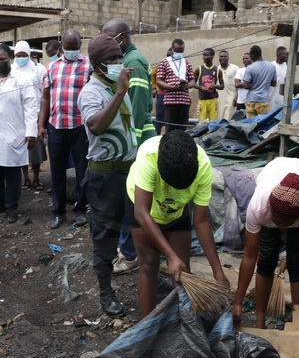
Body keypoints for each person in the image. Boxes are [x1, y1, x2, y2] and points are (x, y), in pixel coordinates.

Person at [126, 131, 229, 316]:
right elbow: (141, 212)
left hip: (177, 212)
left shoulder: (203, 166)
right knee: (149, 265)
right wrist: (170, 255)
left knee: (183, 270)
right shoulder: (149, 157)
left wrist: (218, 272)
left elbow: (201, 221)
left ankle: (183, 323)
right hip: (143, 209)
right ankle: (146, 325)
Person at [78, 35, 137, 316]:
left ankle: (146, 279)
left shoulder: (115, 86)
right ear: (99, 66)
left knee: (139, 227)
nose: (119, 63)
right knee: (105, 235)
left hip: (130, 174)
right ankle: (105, 291)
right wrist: (120, 93)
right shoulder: (91, 92)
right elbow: (96, 126)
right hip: (105, 178)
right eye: (113, 59)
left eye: (119, 57)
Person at [232, 158, 299, 329]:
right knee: (266, 258)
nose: (279, 227)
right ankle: (260, 322)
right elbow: (250, 255)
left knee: (296, 261)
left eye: (284, 224)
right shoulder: (259, 206)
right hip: (272, 178)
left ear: (298, 218)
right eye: (275, 221)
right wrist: (238, 303)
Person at [101, 17, 157, 275]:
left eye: (109, 38)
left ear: (122, 38)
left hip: (138, 143)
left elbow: (135, 109)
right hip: (137, 141)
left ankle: (131, 255)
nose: (105, 44)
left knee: (132, 201)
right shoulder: (128, 62)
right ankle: (134, 251)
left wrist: (131, 147)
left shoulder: (132, 62)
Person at [38, 29, 92, 229]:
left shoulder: (89, 65)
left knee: (81, 171)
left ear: (80, 46)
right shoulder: (51, 67)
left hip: (80, 126)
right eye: (68, 48)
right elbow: (45, 97)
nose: (71, 51)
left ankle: (80, 210)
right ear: (62, 46)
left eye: (75, 48)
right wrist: (41, 124)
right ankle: (58, 212)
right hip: (56, 126)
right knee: (57, 172)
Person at [0, 44, 37, 224]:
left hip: (14, 133)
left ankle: (12, 207)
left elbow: (31, 107)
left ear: (9, 58)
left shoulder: (22, 79)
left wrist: (31, 132)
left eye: (2, 59)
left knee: (12, 172)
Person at [12, 40, 47, 192]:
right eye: (18, 55)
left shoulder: (38, 69)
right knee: (22, 146)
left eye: (24, 55)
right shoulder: (11, 70)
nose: (21, 58)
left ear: (29, 55)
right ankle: (25, 177)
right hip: (18, 114)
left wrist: (42, 113)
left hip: (36, 112)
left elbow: (44, 91)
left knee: (36, 147)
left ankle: (36, 177)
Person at [155, 39, 194, 132]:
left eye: (181, 51)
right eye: (177, 51)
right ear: (172, 49)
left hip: (184, 101)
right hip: (170, 101)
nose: (179, 53)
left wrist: (188, 85)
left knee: (182, 130)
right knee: (170, 129)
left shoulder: (187, 63)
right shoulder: (164, 62)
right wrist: (172, 88)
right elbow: (159, 81)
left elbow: (192, 80)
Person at [237, 45, 277, 118]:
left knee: (250, 125)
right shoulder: (272, 66)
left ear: (253, 55)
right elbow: (274, 83)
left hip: (251, 100)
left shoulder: (250, 68)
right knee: (262, 124)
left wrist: (254, 84)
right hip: (264, 101)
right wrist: (265, 82)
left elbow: (245, 86)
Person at [193, 48, 223, 122]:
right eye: (203, 55)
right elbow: (192, 83)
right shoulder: (199, 69)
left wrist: (215, 86)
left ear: (212, 56)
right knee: (203, 123)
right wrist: (201, 87)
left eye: (206, 55)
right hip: (203, 99)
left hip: (213, 99)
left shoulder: (218, 70)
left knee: (213, 122)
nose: (204, 57)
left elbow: (222, 86)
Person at [152, 48, 173, 135]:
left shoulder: (181, 65)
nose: (169, 57)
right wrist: (153, 88)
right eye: (167, 55)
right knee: (159, 116)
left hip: (173, 96)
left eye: (171, 55)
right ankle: (156, 135)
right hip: (162, 94)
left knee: (171, 117)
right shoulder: (162, 64)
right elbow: (153, 74)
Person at [216, 50, 240, 121]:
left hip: (231, 98)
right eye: (221, 56)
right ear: (219, 58)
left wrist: (237, 96)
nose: (223, 58)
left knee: (228, 119)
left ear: (228, 58)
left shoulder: (235, 68)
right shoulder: (216, 69)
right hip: (219, 99)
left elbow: (239, 84)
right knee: (220, 119)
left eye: (225, 56)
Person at [270, 46, 289, 112]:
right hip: (271, 97)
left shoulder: (288, 66)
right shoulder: (271, 65)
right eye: (285, 54)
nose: (286, 56)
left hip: (283, 98)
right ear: (279, 54)